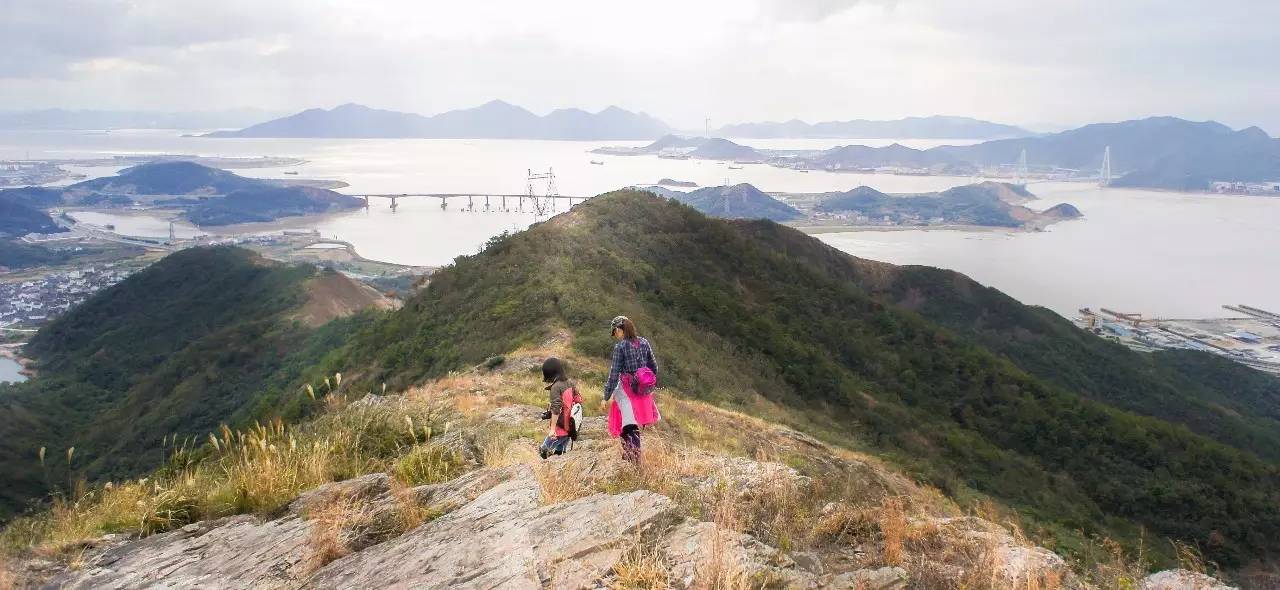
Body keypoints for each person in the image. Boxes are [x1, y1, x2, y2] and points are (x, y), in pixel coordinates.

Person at [603, 315, 660, 463]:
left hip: (627, 391)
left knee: (627, 425)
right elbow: (654, 367)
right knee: (630, 424)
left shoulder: (620, 347)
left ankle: (633, 458)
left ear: (618, 330)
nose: (615, 336)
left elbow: (614, 374)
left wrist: (606, 395)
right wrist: (647, 383)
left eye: (615, 332)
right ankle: (630, 456)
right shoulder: (644, 342)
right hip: (643, 391)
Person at [539, 357, 579, 459]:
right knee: (560, 454)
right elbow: (577, 400)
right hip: (570, 428)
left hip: (560, 429)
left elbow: (556, 409)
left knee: (544, 450)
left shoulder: (556, 387)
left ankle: (547, 473)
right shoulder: (570, 383)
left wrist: (552, 430)